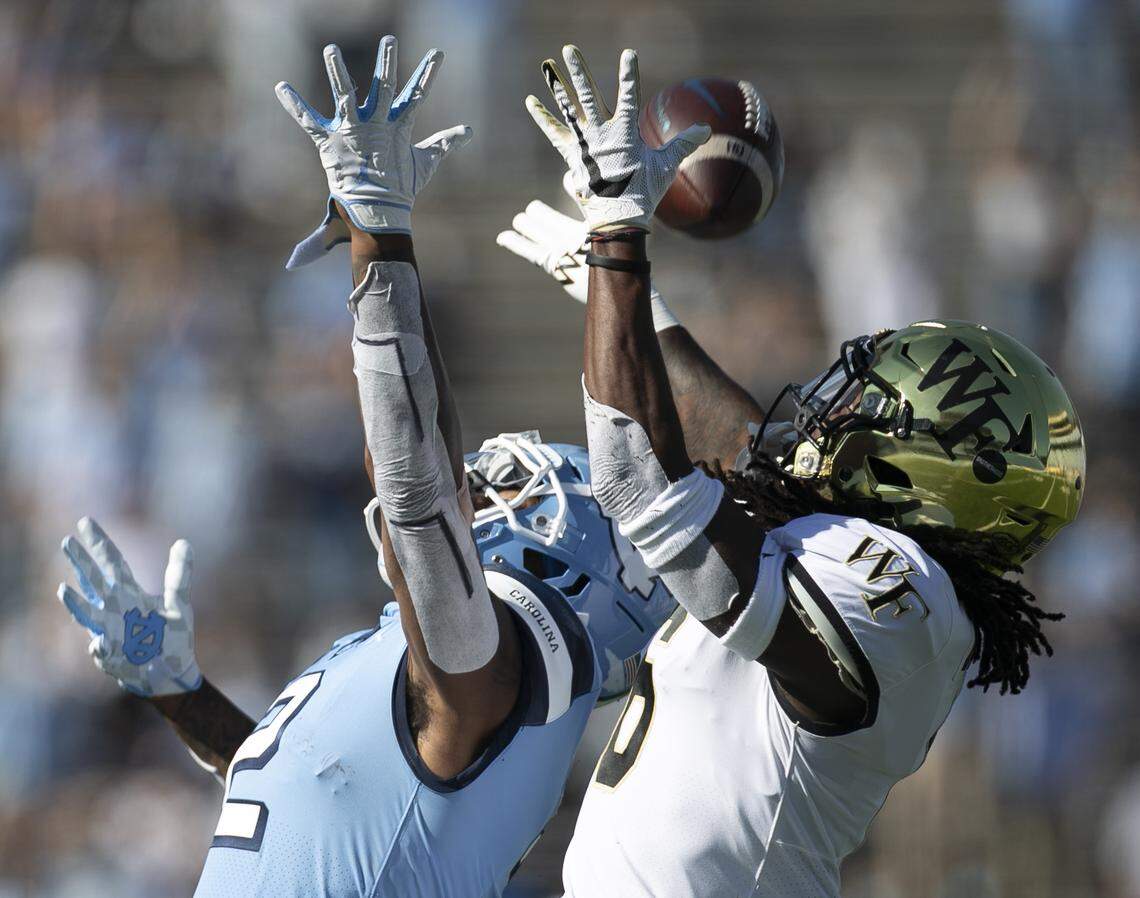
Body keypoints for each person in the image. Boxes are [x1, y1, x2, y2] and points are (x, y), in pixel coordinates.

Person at [54, 35, 673, 897]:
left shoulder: (493, 673)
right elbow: (315, 796)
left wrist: (381, 245)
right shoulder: (455, 695)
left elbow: (420, 497)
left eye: (509, 488)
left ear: (572, 559)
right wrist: (182, 694)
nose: (482, 489)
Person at [513, 44, 1086, 896]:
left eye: (872, 407)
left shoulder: (908, 598)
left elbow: (652, 498)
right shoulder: (886, 564)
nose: (837, 409)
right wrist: (627, 297)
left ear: (930, 473)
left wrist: (617, 249)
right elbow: (746, 449)